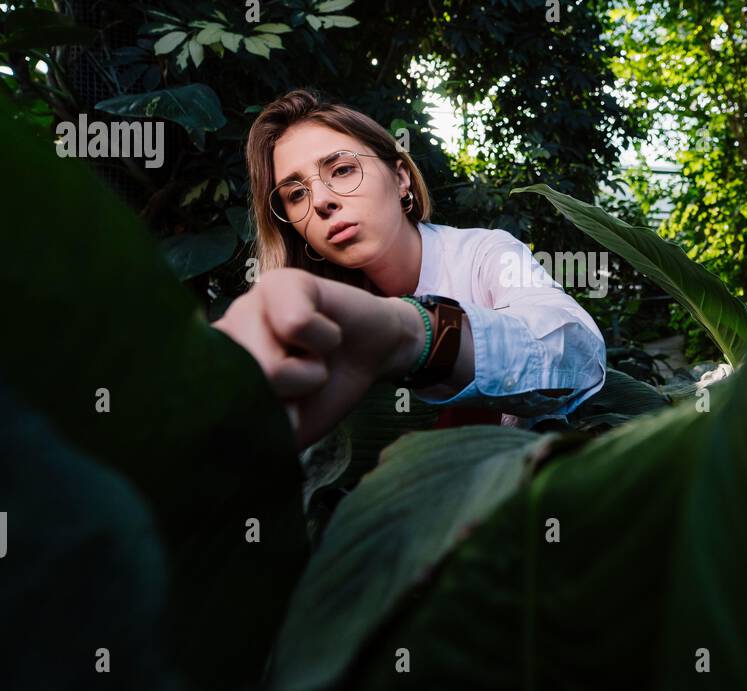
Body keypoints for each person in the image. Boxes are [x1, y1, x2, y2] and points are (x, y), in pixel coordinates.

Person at [211, 89, 607, 448]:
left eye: (343, 169)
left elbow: (577, 354)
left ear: (401, 178)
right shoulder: (306, 318)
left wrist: (412, 332)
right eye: (296, 194)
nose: (321, 201)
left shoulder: (485, 254)